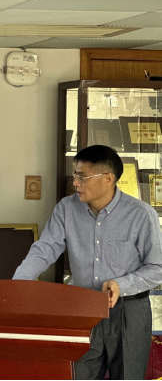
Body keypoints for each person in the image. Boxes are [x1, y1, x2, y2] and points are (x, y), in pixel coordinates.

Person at [14, 145, 162, 380]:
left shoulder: (141, 215)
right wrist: (19, 284)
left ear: (108, 178)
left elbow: (157, 268)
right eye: (75, 175)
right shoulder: (66, 209)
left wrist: (121, 284)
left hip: (128, 312)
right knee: (78, 374)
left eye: (82, 176)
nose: (75, 183)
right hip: (81, 309)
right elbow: (45, 249)